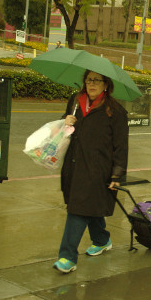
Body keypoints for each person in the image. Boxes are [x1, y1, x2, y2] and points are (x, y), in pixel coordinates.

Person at [53, 70, 129, 274]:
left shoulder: (115, 111)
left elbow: (121, 147)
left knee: (78, 209)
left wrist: (117, 175)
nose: (92, 84)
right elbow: (66, 126)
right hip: (74, 165)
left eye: (97, 80)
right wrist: (65, 121)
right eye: (88, 80)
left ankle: (67, 257)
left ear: (106, 84)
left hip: (98, 169)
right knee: (87, 206)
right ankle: (102, 239)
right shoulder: (76, 101)